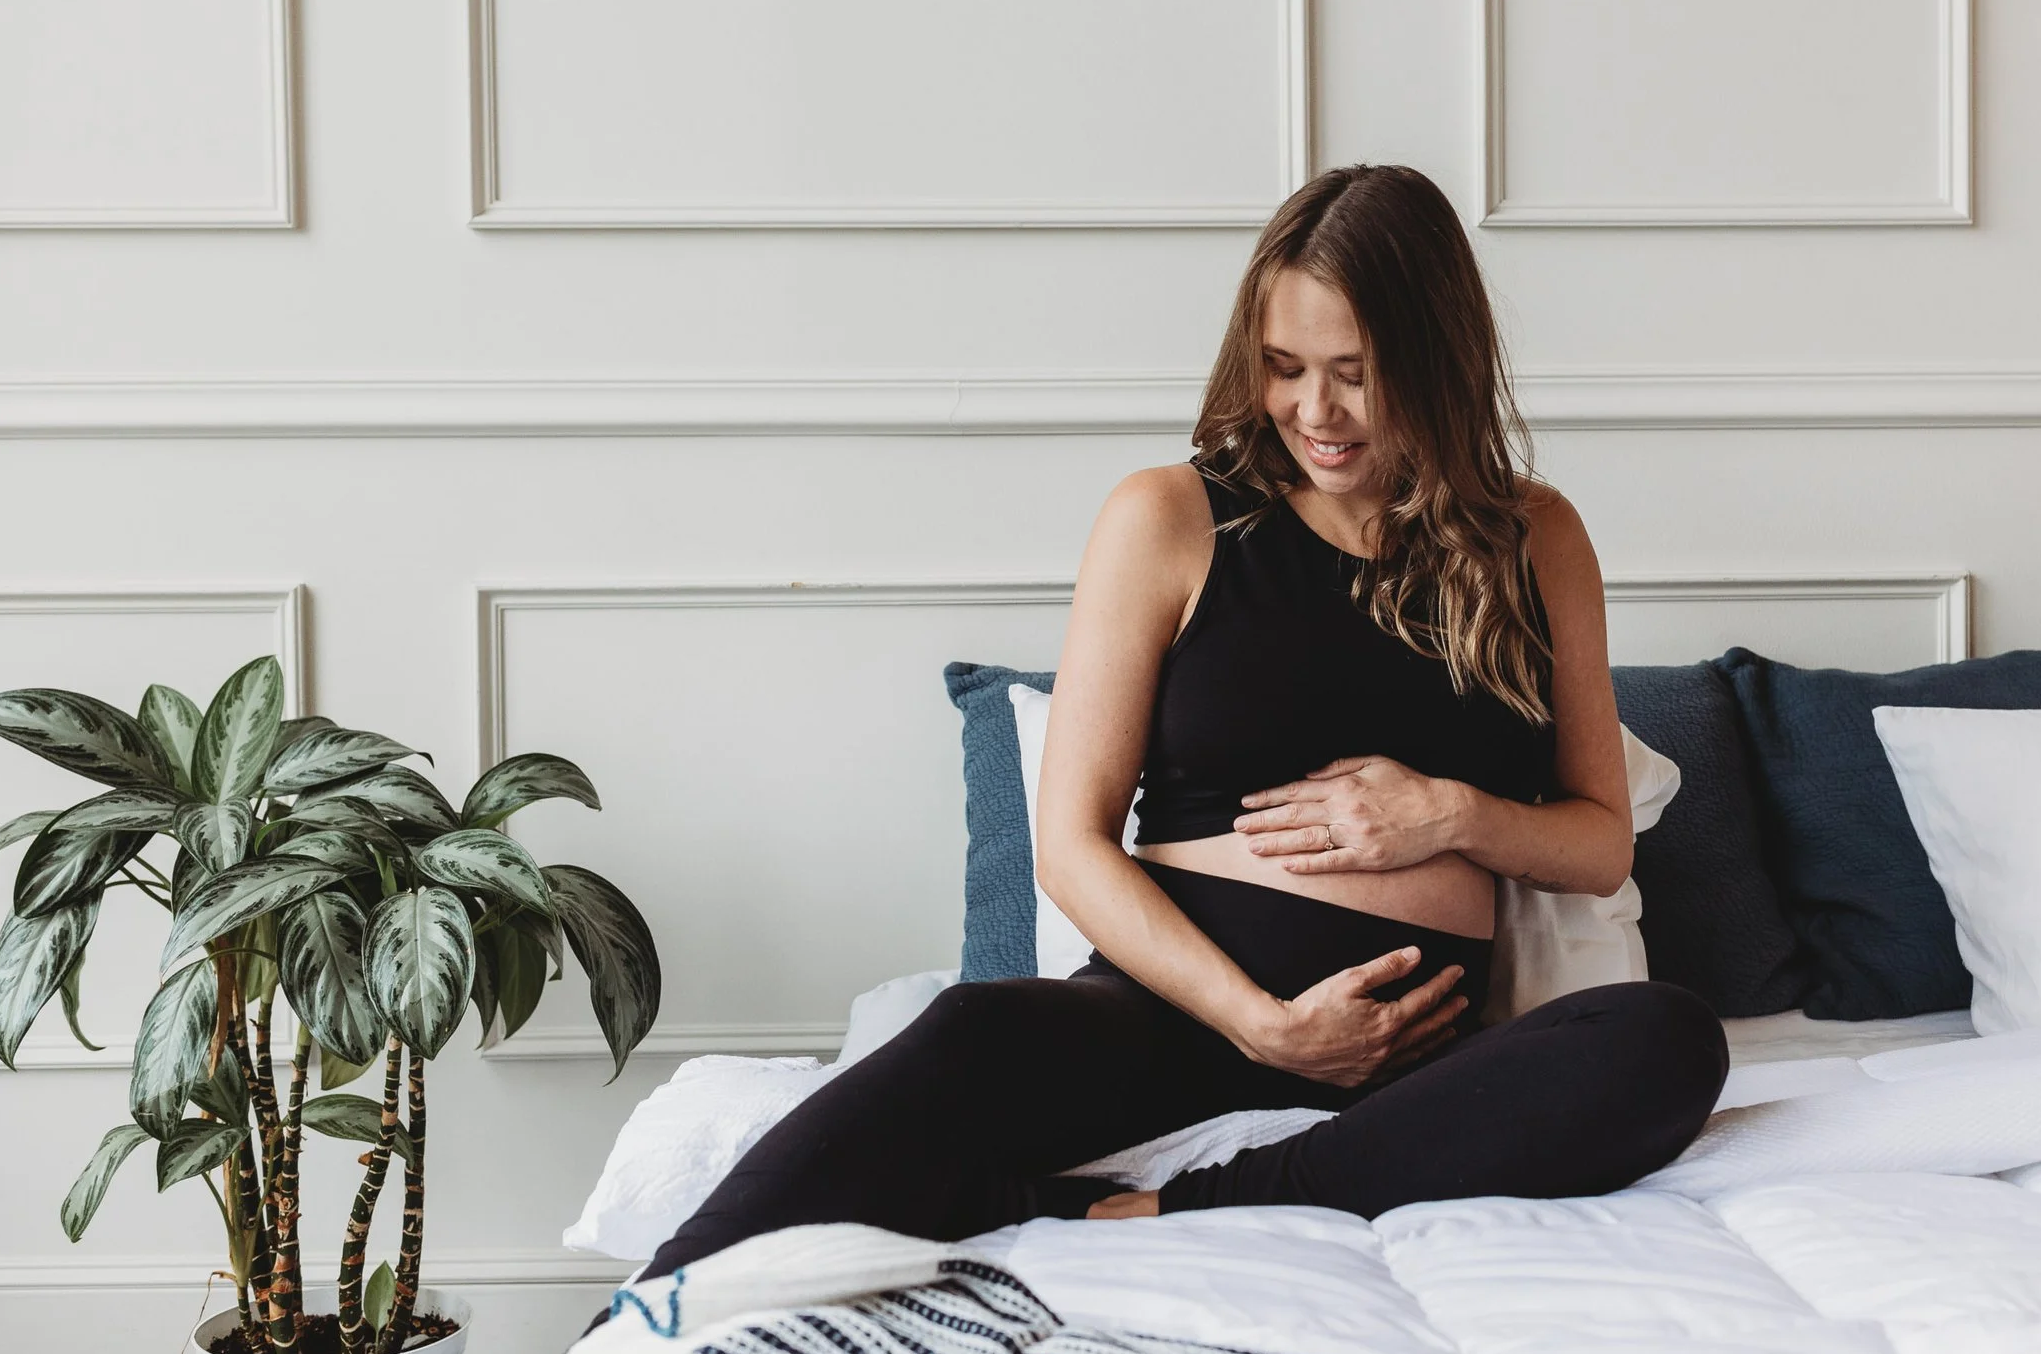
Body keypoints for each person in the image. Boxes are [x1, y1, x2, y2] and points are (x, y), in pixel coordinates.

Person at [645, 163, 1727, 1268]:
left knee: (1666, 1043)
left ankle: (1219, 1200)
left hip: (1414, 1057)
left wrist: (1450, 814)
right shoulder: (1170, 519)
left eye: (1358, 373)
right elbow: (1069, 846)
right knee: (966, 1034)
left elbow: (1598, 844)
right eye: (1284, 367)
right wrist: (1262, 1021)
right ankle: (636, 1325)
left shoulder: (1534, 538)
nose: (1317, 411)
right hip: (1171, 1023)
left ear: (1436, 359)